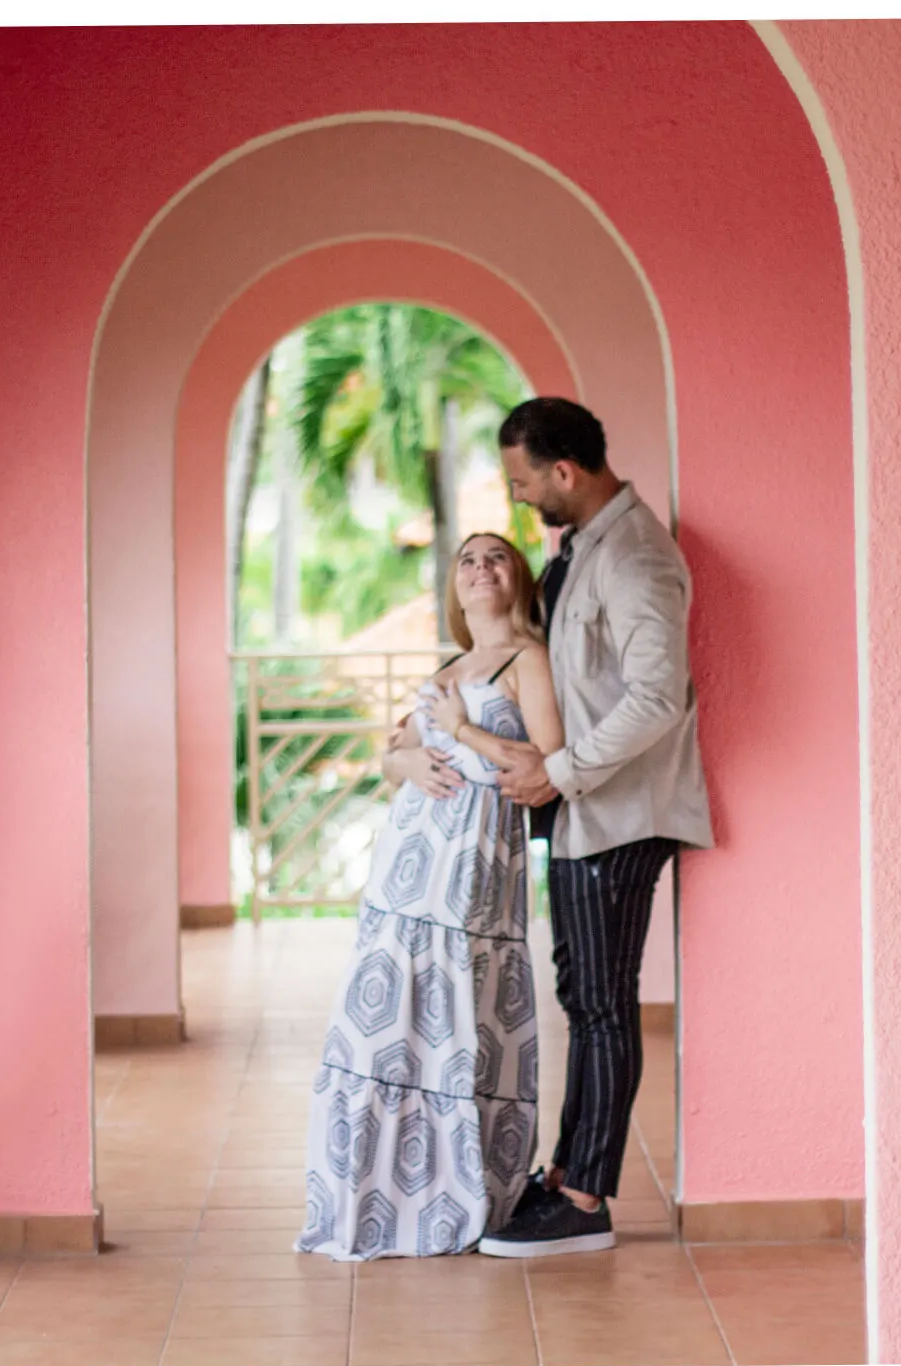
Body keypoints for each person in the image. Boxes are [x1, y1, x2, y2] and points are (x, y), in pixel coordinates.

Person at [439, 397, 714, 1259]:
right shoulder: (583, 548)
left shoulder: (634, 556)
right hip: (588, 810)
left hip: (620, 813)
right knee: (585, 998)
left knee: (599, 1004)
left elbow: (657, 697)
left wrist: (557, 773)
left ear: (564, 471)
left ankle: (586, 1198)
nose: (521, 500)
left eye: (524, 481)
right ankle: (568, 1174)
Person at [296, 533, 563, 1261]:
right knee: (381, 1015)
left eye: (496, 557)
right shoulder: (450, 667)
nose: (480, 567)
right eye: (467, 559)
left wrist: (463, 730)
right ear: (455, 582)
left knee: (456, 1011)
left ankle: (452, 1191)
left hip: (473, 861)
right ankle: (377, 1194)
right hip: (406, 862)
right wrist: (407, 756)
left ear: (519, 579)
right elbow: (390, 755)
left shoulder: (527, 660)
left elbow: (549, 761)